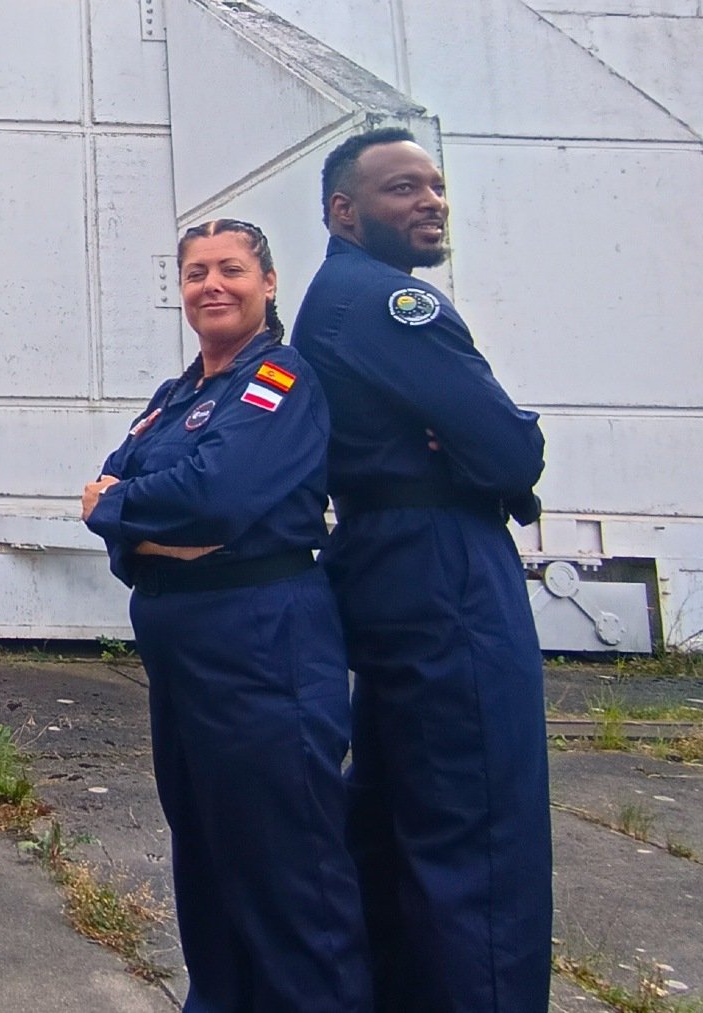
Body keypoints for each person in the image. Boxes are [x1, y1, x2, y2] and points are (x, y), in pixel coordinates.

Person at [82, 219, 371, 1012]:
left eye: (232, 270)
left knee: (289, 872)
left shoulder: (277, 380)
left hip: (261, 645)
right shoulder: (178, 396)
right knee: (208, 856)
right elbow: (114, 492)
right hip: (184, 657)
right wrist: (150, 531)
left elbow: (219, 496)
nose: (212, 286)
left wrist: (129, 513)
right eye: (196, 272)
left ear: (269, 283)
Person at [293, 128, 550, 1011]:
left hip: (392, 555)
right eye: (402, 189)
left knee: (402, 818)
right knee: (479, 830)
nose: (430, 202)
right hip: (447, 568)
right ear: (345, 212)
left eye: (435, 186)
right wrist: (490, 453)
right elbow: (511, 448)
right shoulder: (385, 303)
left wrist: (472, 448)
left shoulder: (343, 296)